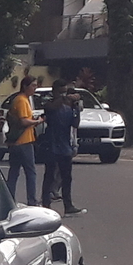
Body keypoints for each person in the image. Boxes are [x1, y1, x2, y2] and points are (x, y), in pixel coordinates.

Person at [40, 85, 84, 213]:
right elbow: (50, 108)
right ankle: (46, 204)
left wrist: (75, 107)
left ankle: (68, 205)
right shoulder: (50, 105)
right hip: (52, 145)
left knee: (66, 177)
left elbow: (75, 124)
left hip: (64, 147)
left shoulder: (68, 109)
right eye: (61, 92)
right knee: (49, 176)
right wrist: (63, 98)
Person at [3, 82, 41, 202]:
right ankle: (32, 201)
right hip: (24, 141)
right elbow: (24, 121)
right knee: (30, 172)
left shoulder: (21, 99)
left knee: (14, 172)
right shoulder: (22, 100)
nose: (35, 88)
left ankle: (9, 199)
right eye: (33, 85)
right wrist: (37, 122)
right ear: (25, 86)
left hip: (17, 141)